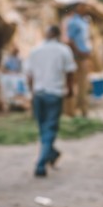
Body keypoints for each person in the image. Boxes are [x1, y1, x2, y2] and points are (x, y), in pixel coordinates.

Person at [25, 25, 76, 177]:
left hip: (38, 94)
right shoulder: (63, 50)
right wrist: (70, 89)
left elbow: (29, 75)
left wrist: (32, 92)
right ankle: (41, 164)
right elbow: (70, 72)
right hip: (55, 94)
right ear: (58, 35)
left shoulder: (35, 51)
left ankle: (51, 154)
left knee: (44, 129)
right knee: (49, 129)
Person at [64, 2, 92, 117]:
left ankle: (83, 111)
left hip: (84, 56)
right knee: (74, 84)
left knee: (83, 85)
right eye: (83, 7)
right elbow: (70, 41)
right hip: (76, 57)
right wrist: (79, 52)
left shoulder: (84, 21)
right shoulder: (73, 22)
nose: (86, 8)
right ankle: (71, 112)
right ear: (78, 8)